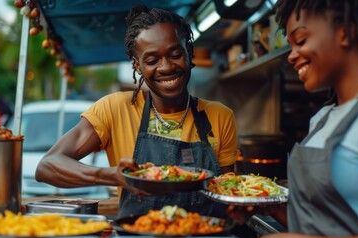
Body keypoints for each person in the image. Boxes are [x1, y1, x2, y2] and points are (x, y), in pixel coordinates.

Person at [35, 5, 239, 218]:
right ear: (138, 66)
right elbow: (48, 166)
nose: (166, 67)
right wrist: (112, 175)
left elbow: (225, 192)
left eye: (175, 54)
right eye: (152, 61)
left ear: (189, 52)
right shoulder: (114, 110)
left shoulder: (219, 116)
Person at [227, 0, 358, 238]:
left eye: (300, 41)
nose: (291, 56)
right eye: (290, 46)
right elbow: (319, 224)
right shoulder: (323, 118)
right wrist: (268, 206)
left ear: (345, 31)